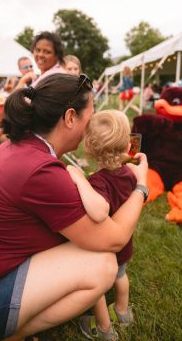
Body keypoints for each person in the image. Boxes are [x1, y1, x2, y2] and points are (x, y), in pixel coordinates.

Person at [0, 73, 148, 341]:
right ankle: (11, 335)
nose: (92, 126)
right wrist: (141, 187)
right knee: (102, 265)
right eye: (90, 117)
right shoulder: (40, 170)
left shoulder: (24, 148)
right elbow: (112, 240)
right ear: (69, 118)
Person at [67, 110, 139, 340]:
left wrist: (79, 179)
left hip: (104, 248)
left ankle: (104, 330)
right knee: (120, 276)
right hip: (124, 242)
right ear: (127, 143)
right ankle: (123, 312)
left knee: (97, 289)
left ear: (89, 147)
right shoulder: (129, 172)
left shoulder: (97, 182)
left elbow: (99, 211)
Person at [0, 31, 66, 149]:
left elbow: (29, 109)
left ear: (57, 55)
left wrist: (5, 131)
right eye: (37, 50)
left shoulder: (54, 76)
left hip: (40, 137)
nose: (40, 55)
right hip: (33, 131)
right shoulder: (47, 75)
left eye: (47, 52)